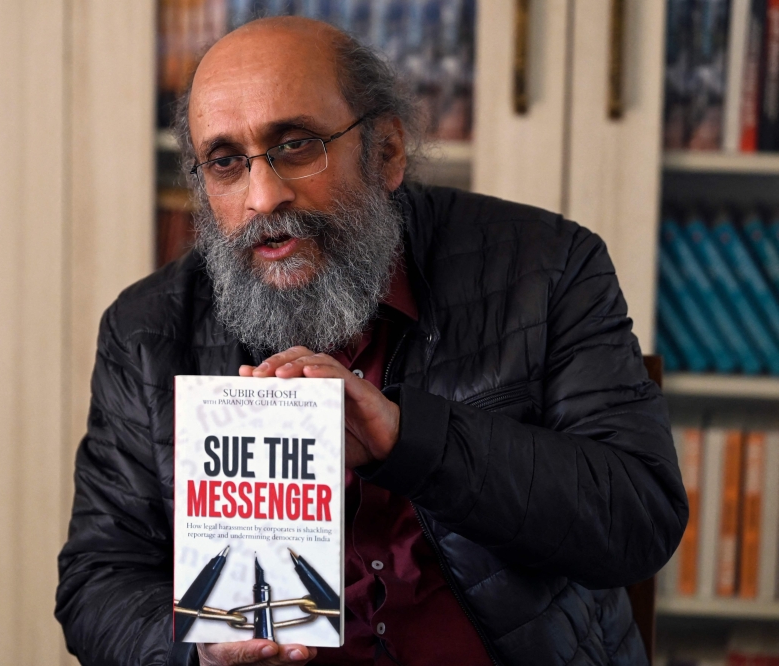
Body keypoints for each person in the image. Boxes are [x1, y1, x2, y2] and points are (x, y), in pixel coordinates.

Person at [55, 16, 687, 666]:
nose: (263, 197)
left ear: (385, 152)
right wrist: (197, 649)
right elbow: (96, 580)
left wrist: (406, 438)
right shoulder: (146, 331)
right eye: (225, 163)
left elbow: (638, 519)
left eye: (297, 145)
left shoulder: (549, 268)